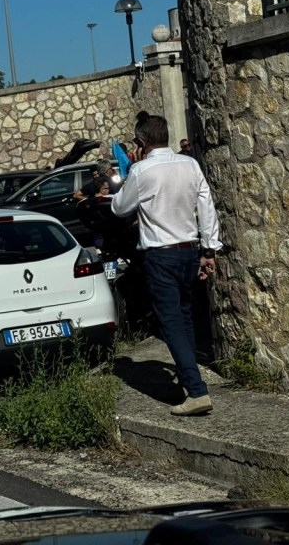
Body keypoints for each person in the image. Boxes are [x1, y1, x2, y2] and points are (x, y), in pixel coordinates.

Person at [111, 114, 223, 417]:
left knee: (171, 322)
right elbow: (206, 206)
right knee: (184, 319)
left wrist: (131, 168)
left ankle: (197, 391)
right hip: (190, 250)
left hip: (160, 255)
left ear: (141, 142)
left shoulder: (142, 170)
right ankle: (188, 381)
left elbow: (120, 207)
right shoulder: (190, 165)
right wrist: (209, 248)